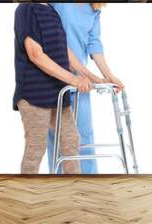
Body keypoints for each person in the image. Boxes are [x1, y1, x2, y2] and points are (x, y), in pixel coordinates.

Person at [13, 3, 92, 174]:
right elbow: (35, 54)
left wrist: (91, 77)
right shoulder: (26, 9)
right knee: (36, 148)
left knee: (71, 140)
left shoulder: (51, 11)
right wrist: (73, 79)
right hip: (34, 95)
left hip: (57, 95)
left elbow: (65, 51)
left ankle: (74, 190)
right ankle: (27, 192)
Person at [47, 3, 124, 174]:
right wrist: (90, 75)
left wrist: (110, 76)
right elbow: (53, 37)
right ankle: (57, 184)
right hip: (54, 77)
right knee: (57, 136)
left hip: (81, 82)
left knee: (84, 135)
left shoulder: (94, 8)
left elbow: (94, 43)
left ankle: (89, 182)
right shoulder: (59, 4)